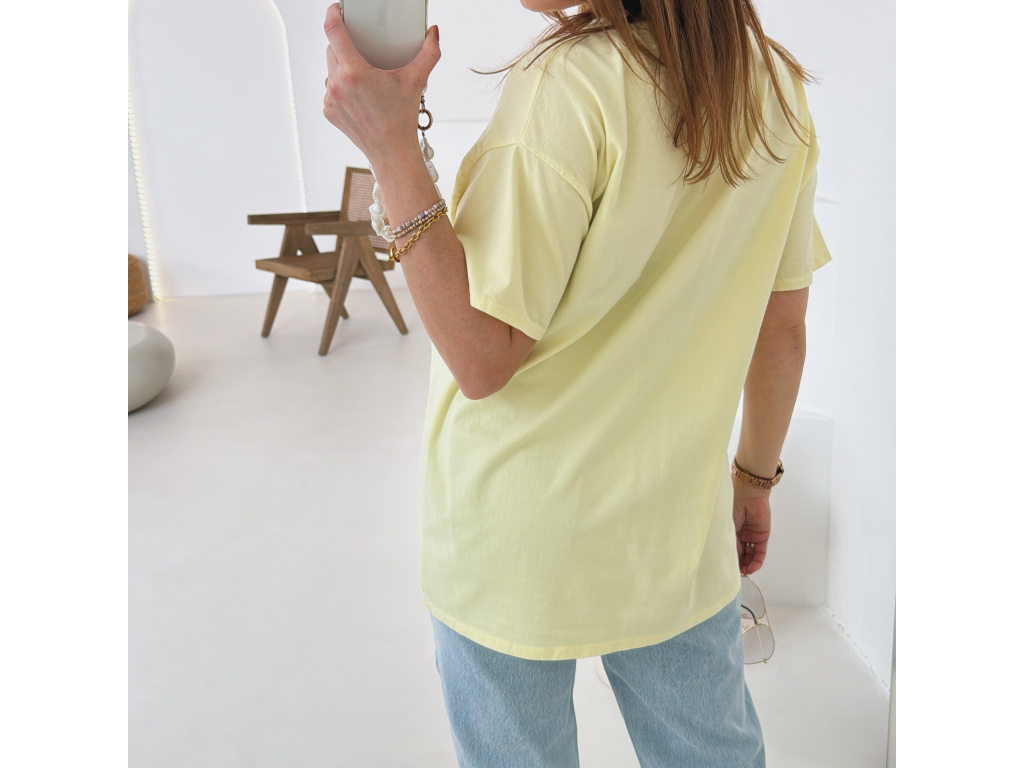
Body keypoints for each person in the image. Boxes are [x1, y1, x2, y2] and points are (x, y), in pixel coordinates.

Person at [323, 1, 830, 765]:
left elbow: (481, 358)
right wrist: (754, 481)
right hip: (673, 530)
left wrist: (390, 147)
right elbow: (781, 328)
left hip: (515, 537)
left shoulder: (569, 85)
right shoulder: (773, 88)